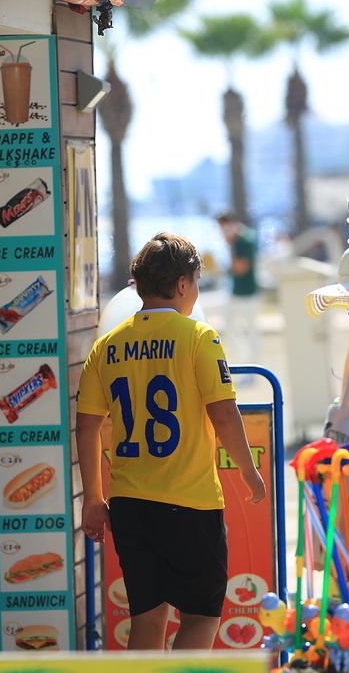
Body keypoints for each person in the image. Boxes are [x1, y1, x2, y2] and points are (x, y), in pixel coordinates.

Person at [76, 233, 266, 650]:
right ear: (182, 283)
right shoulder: (199, 336)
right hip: (190, 502)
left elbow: (87, 425)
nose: (195, 292)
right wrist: (250, 473)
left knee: (147, 619)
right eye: (196, 282)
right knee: (200, 617)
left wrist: (93, 497)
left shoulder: (106, 346)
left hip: (129, 505)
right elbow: (223, 413)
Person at [215, 212, 260, 367]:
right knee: (231, 327)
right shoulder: (241, 238)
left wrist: (231, 246)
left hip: (247, 292)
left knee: (250, 330)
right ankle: (244, 361)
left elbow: (240, 268)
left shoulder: (243, 239)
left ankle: (252, 364)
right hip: (237, 292)